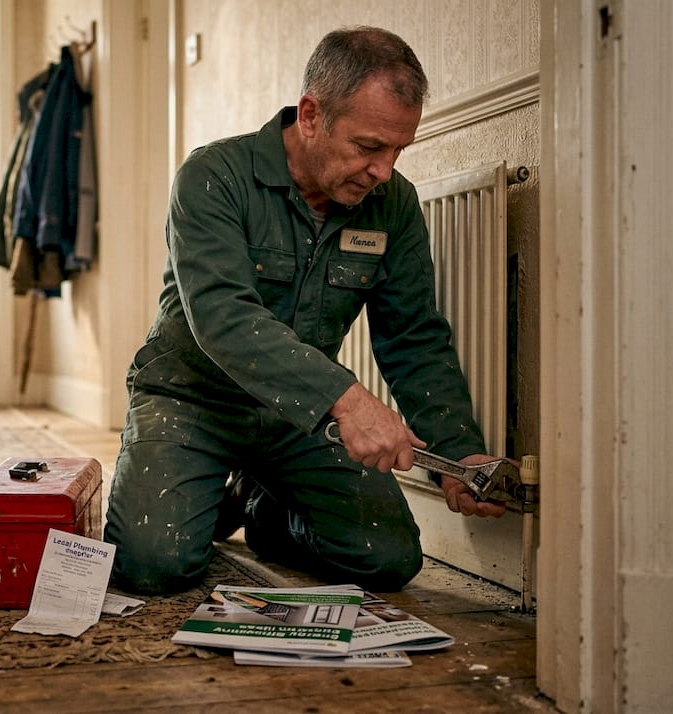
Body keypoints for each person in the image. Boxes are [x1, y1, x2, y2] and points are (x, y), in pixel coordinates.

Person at [102, 26, 506, 596]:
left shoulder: (393, 205)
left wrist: (459, 453)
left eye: (398, 151)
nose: (383, 171)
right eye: (369, 147)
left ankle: (262, 507)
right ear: (311, 114)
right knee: (153, 566)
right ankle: (207, 488)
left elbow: (413, 337)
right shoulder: (213, 177)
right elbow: (224, 318)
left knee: (388, 560)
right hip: (191, 399)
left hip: (298, 416)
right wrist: (348, 400)